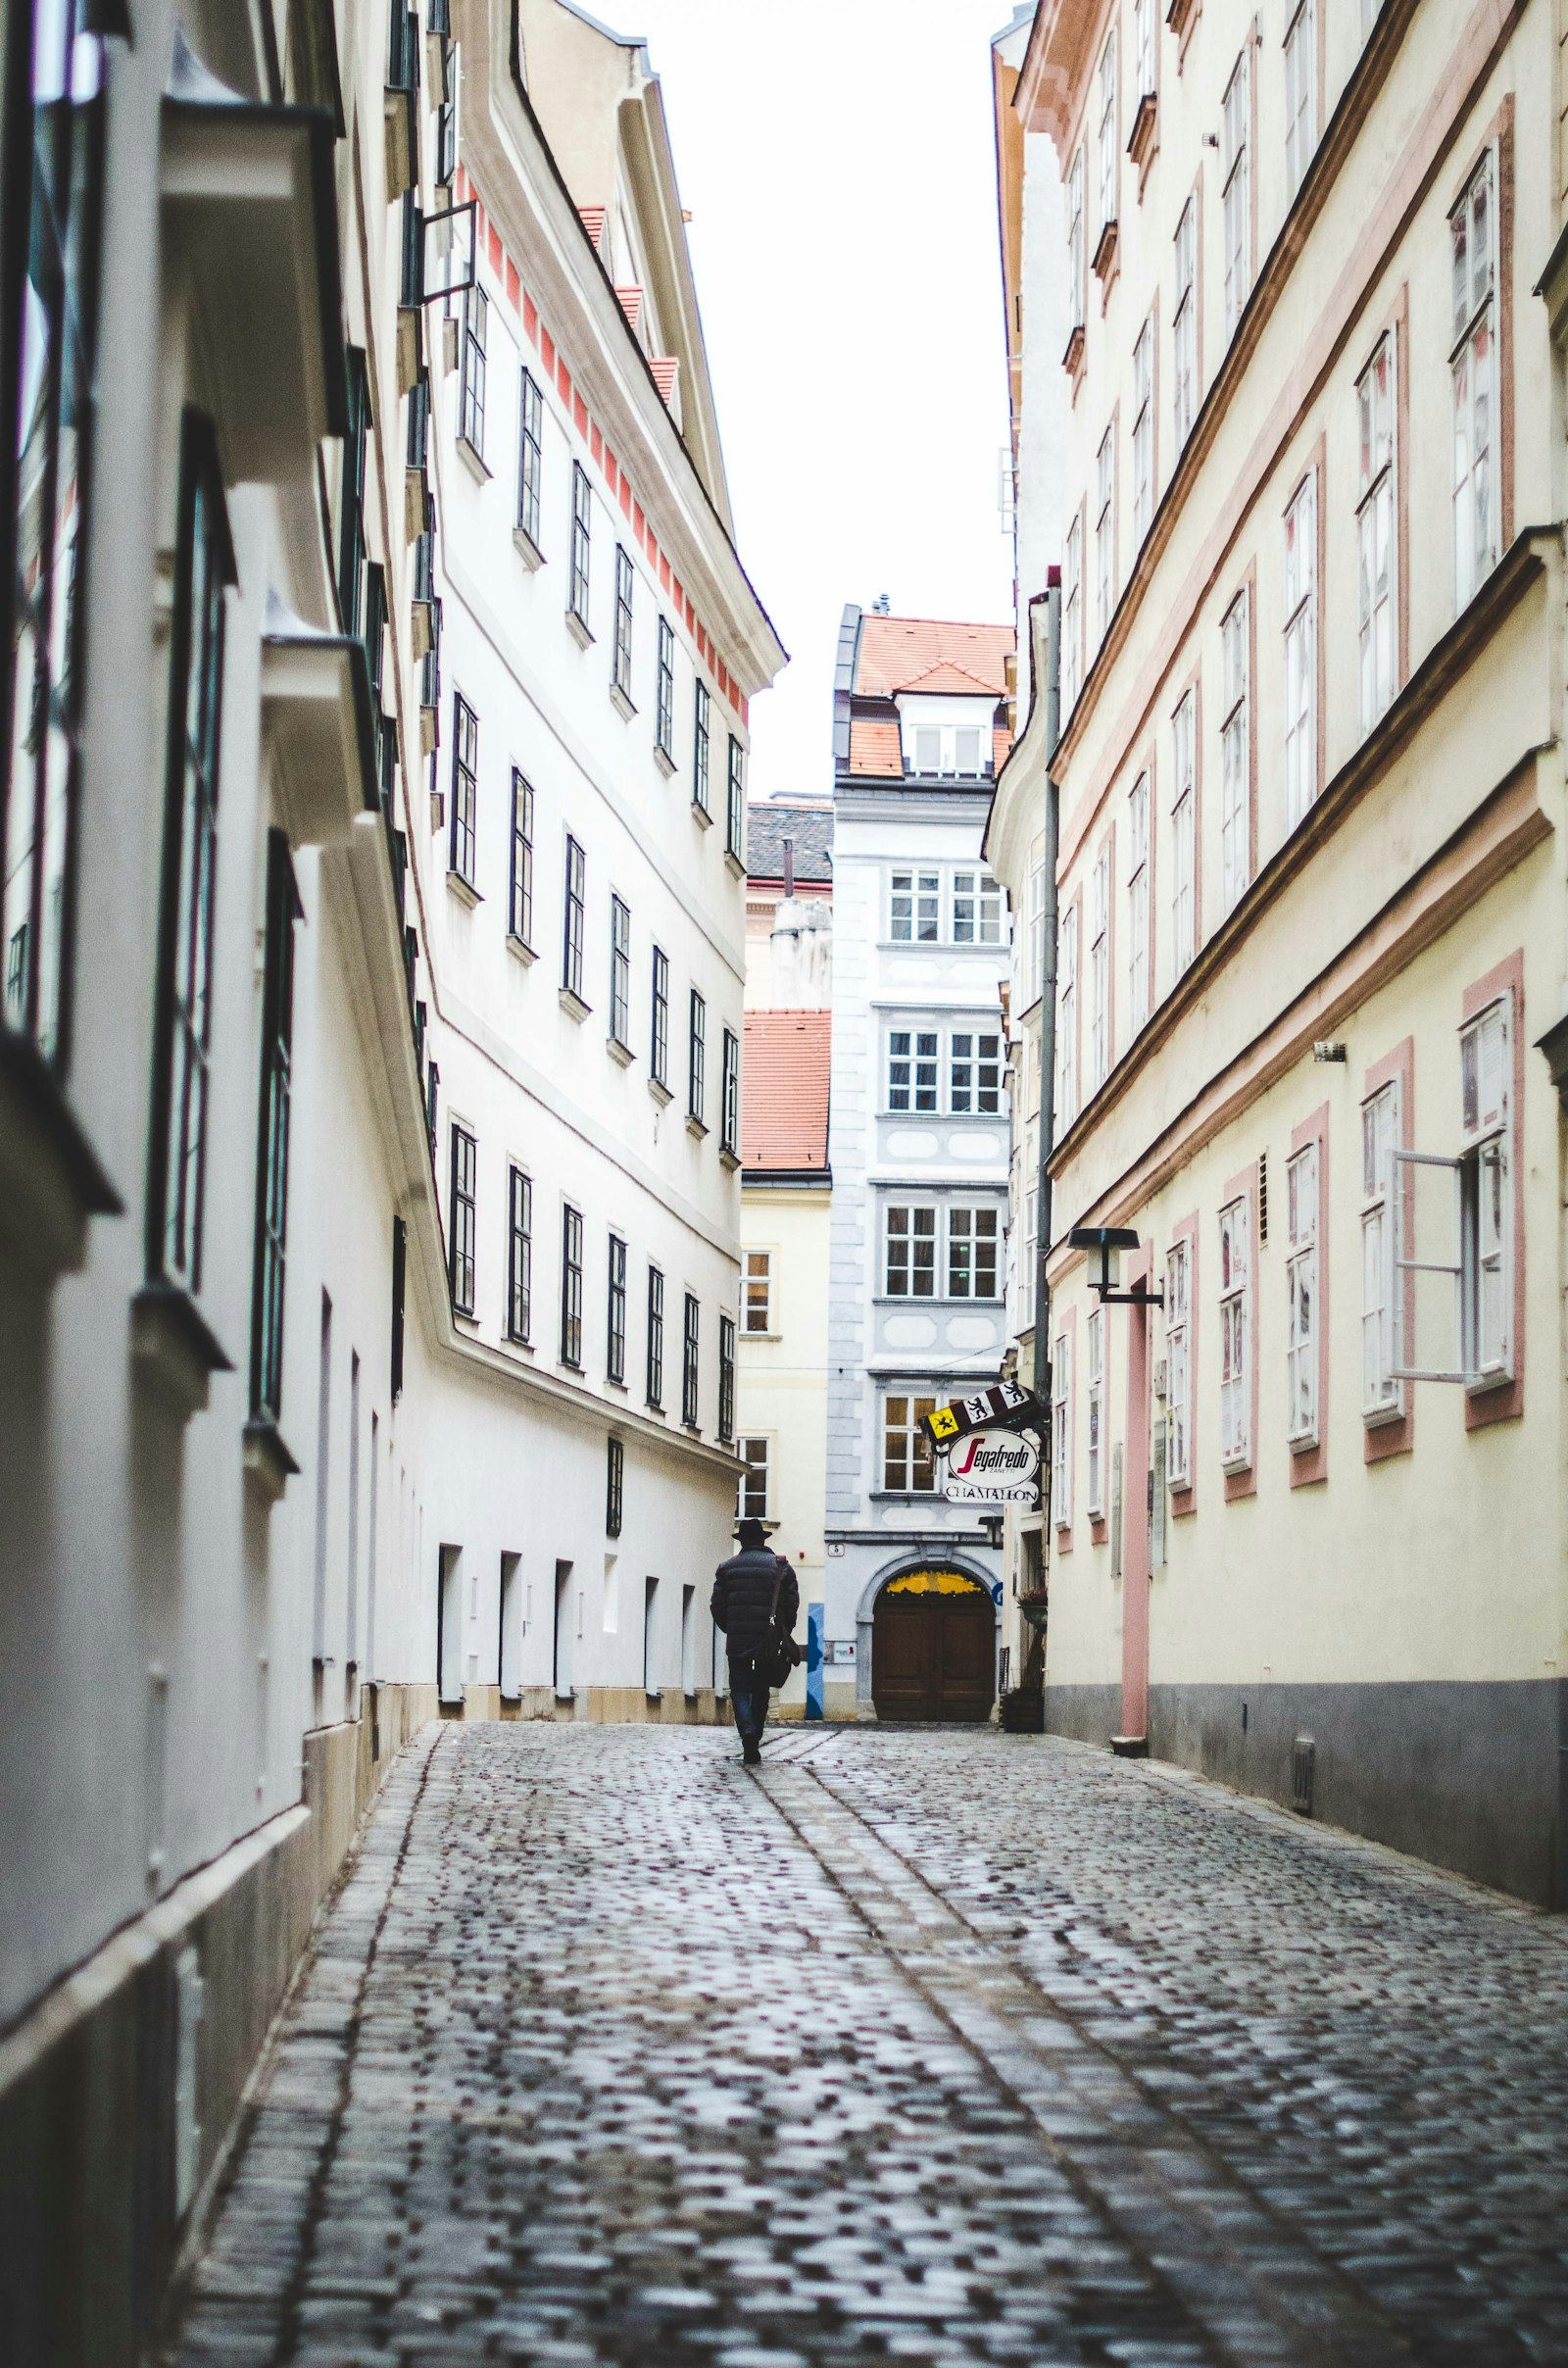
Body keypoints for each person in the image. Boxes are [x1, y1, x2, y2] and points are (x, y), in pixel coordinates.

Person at [711, 1518, 799, 1764]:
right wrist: (784, 1630)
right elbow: (792, 1604)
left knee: (739, 1688)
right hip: (768, 1640)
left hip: (738, 1639)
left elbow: (717, 1605)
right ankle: (756, 1734)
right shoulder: (781, 1567)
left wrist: (731, 1628)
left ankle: (746, 1731)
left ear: (742, 1542)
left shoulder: (727, 1568)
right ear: (763, 1540)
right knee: (761, 1688)